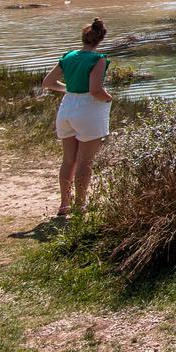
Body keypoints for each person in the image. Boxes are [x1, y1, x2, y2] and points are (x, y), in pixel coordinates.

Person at [40, 17, 112, 217]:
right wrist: (109, 97)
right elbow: (95, 90)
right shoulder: (98, 59)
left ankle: (64, 205)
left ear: (84, 38)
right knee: (85, 162)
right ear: (100, 39)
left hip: (67, 108)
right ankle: (80, 205)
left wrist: (69, 90)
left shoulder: (68, 56)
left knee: (68, 160)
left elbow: (47, 82)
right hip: (88, 109)